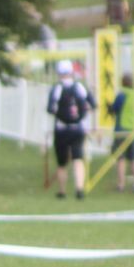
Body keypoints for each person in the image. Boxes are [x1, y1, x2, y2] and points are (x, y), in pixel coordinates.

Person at [47, 59, 95, 200]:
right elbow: (92, 104)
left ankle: (62, 191)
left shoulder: (57, 88)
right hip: (78, 128)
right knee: (78, 158)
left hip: (61, 128)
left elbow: (50, 108)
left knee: (62, 162)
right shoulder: (80, 87)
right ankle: (79, 188)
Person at [110, 73, 134, 194]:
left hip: (121, 129)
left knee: (120, 159)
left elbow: (114, 109)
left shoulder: (122, 95)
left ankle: (121, 184)